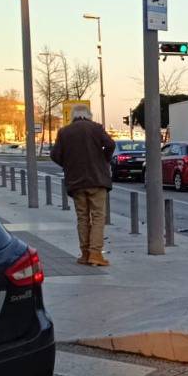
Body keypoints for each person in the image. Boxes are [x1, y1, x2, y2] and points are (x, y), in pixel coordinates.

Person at [50, 106, 115, 267]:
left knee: (82, 217)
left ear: (73, 116)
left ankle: (85, 253)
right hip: (97, 180)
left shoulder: (64, 132)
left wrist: (68, 165)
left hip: (76, 181)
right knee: (98, 216)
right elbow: (110, 144)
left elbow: (55, 155)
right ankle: (95, 253)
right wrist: (104, 160)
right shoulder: (96, 128)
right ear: (89, 116)